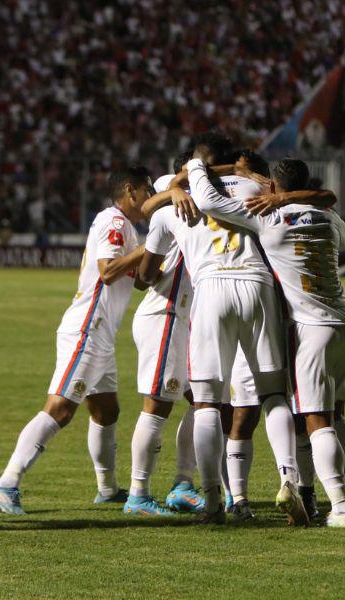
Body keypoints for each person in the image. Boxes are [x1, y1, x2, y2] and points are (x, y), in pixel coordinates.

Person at [192, 156, 345, 527]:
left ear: (273, 188)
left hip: (309, 329)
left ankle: (341, 508)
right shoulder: (330, 218)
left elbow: (209, 202)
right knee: (338, 415)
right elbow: (342, 230)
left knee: (317, 420)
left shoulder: (267, 217)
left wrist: (196, 167)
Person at [139, 132, 291, 525]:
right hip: (258, 285)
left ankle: (211, 501)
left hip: (210, 291)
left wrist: (177, 188)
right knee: (273, 394)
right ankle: (287, 483)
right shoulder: (257, 184)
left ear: (194, 162)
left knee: (207, 402)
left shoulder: (180, 196)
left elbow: (146, 245)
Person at [0, 166, 153, 515]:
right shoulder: (114, 222)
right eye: (147, 190)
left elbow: (136, 280)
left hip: (102, 333)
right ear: (130, 190)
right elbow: (108, 271)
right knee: (60, 408)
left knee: (107, 410)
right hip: (88, 327)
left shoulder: (128, 230)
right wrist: (151, 245)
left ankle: (107, 490)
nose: (150, 198)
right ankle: (6, 482)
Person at [124, 152, 204, 516]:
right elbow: (151, 205)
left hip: (185, 318)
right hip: (165, 314)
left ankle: (183, 485)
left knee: (202, 400)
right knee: (157, 406)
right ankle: (137, 495)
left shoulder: (202, 195)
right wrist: (176, 187)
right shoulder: (167, 189)